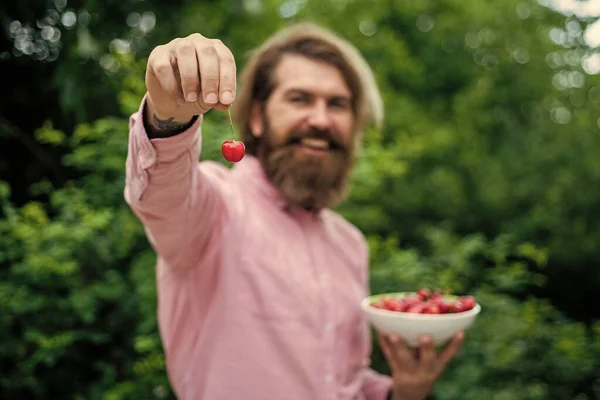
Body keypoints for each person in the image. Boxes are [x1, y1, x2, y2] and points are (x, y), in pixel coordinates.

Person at [124, 21, 464, 400]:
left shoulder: (350, 245)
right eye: (300, 99)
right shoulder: (215, 206)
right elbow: (162, 194)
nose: (320, 119)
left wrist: (403, 391)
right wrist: (168, 116)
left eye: (338, 104)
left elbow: (341, 378)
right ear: (256, 117)